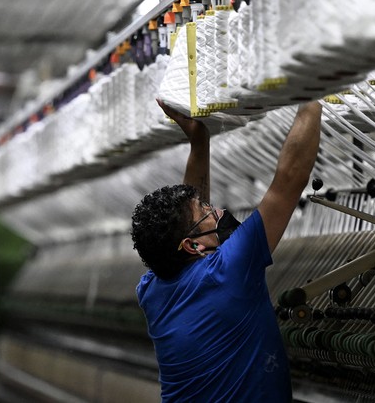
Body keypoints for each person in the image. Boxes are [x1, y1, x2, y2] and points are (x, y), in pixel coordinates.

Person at [131, 99, 322, 402]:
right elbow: (290, 178)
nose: (217, 210)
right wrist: (312, 96)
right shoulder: (229, 271)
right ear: (192, 246)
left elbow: (189, 220)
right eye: (207, 210)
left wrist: (199, 141)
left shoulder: (153, 290)